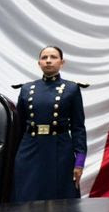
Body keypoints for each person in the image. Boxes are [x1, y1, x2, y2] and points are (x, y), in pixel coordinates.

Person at [12, 46, 87, 202]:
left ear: (62, 62)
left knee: (60, 198)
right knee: (27, 195)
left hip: (60, 149)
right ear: (39, 62)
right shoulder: (26, 89)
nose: (48, 61)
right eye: (44, 58)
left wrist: (79, 162)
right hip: (30, 149)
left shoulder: (71, 89)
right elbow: (18, 128)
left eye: (53, 57)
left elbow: (78, 128)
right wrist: (13, 158)